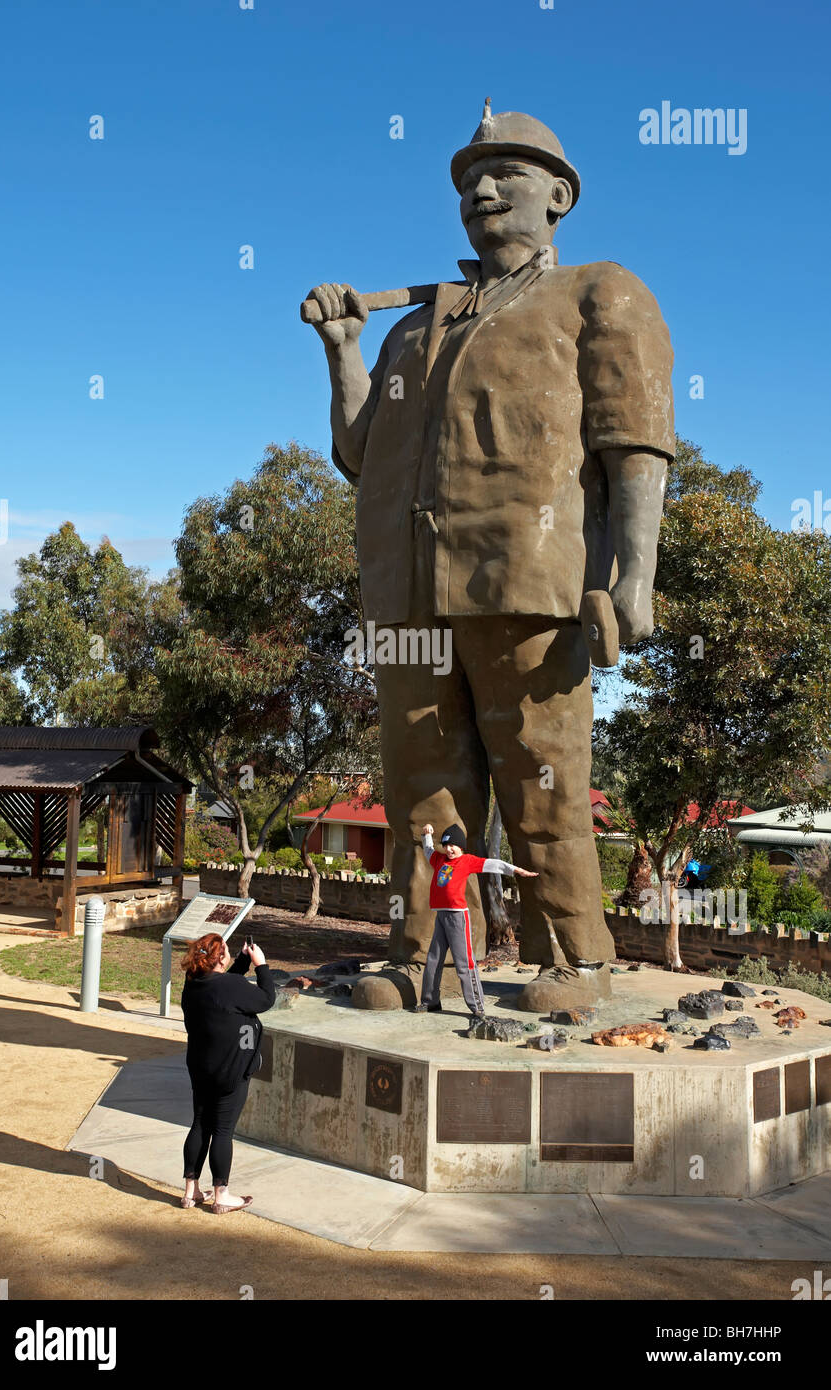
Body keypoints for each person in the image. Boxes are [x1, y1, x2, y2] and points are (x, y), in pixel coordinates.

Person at [306, 99, 674, 1014]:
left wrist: (634, 573)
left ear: (558, 195)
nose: (483, 186)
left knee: (542, 776)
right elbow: (360, 455)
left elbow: (635, 440)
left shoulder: (598, 293)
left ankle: (575, 959)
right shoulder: (411, 327)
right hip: (406, 593)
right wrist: (344, 352)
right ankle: (416, 956)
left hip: (531, 580)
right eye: (471, 175)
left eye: (506, 171)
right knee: (419, 787)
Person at [179, 931, 275, 1214]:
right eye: (228, 951)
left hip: (200, 1068)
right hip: (230, 1072)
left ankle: (190, 1191)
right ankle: (222, 1195)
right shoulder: (229, 987)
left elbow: (225, 986)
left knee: (200, 1124)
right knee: (222, 1130)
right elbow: (266, 998)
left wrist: (243, 961)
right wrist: (261, 966)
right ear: (220, 958)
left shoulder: (193, 983)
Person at [415, 821, 538, 1018]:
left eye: (452, 845)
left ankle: (477, 1007)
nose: (449, 849)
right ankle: (430, 1001)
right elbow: (428, 850)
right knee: (433, 960)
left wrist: (516, 870)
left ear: (460, 845)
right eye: (446, 845)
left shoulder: (467, 861)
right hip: (441, 915)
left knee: (464, 963)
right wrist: (426, 833)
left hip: (457, 917)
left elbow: (494, 865)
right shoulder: (439, 859)